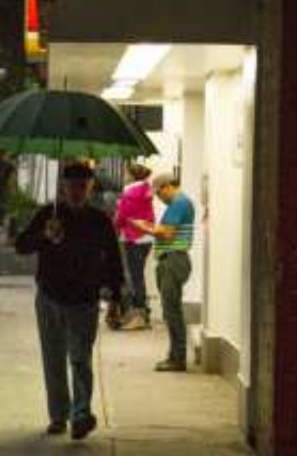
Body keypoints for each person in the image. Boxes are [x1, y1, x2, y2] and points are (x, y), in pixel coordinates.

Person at [15, 162, 125, 440]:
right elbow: (21, 245)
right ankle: (58, 415)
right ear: (63, 187)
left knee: (80, 358)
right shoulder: (49, 214)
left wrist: (116, 296)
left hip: (85, 299)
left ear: (89, 188)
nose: (77, 191)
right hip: (50, 296)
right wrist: (44, 236)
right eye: (72, 185)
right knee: (53, 358)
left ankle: (81, 414)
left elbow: (113, 259)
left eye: (82, 186)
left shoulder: (100, 220)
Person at [133, 173, 196, 372]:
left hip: (173, 259)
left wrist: (144, 228)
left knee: (172, 311)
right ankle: (174, 356)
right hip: (173, 259)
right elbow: (168, 230)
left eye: (159, 192)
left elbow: (167, 233)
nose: (159, 197)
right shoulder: (180, 204)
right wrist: (152, 227)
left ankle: (177, 358)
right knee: (172, 309)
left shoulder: (178, 203)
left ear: (168, 186)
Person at [114, 163, 156, 329]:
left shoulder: (129, 192)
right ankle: (142, 313)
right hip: (146, 239)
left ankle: (139, 314)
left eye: (126, 173)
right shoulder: (147, 191)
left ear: (132, 175)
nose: (125, 176)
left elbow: (121, 218)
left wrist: (118, 210)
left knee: (134, 277)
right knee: (138, 275)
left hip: (132, 238)